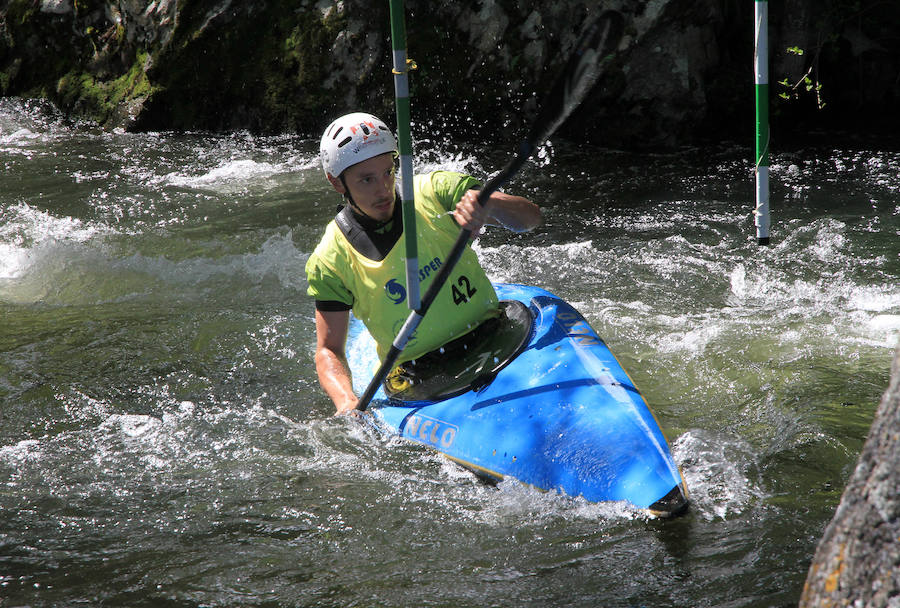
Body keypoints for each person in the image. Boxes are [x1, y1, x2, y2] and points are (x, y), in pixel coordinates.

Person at [306, 112, 542, 415]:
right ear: (337, 182)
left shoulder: (438, 191)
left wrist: (489, 202)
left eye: (388, 172)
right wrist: (345, 399)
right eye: (367, 179)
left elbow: (531, 219)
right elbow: (328, 350)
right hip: (420, 376)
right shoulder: (329, 260)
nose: (383, 189)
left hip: (496, 333)